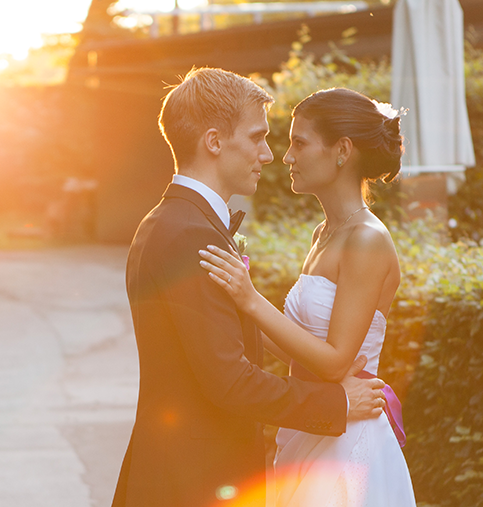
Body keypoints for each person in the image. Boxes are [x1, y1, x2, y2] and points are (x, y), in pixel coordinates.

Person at [112, 69, 388, 507]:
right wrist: (335, 403)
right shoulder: (189, 235)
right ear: (215, 141)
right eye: (258, 137)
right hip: (192, 481)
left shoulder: (179, 223)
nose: (268, 154)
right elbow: (231, 382)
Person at [198, 87, 417, 506]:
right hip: (310, 426)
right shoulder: (324, 233)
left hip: (349, 435)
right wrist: (228, 312)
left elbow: (336, 361)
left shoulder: (367, 240)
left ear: (342, 150)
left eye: (299, 142)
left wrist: (250, 299)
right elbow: (299, 347)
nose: (286, 157)